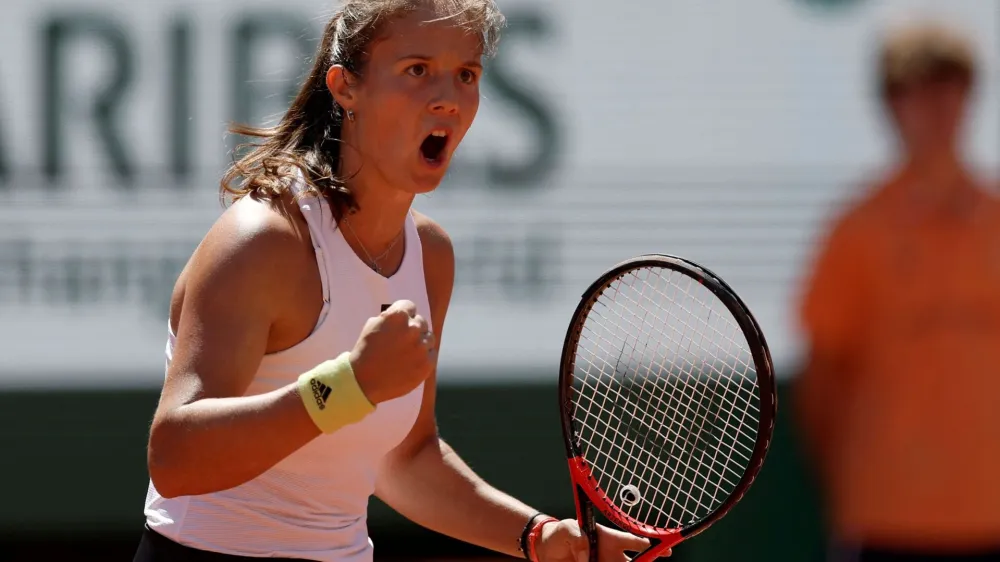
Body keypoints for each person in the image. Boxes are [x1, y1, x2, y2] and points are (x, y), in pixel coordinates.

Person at [133, 1, 665, 561]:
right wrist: (347, 387)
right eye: (417, 70)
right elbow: (175, 458)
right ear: (345, 88)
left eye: (466, 75)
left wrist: (537, 537)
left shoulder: (430, 255)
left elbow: (403, 458)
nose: (447, 98)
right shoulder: (264, 240)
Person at [795, 20, 1000, 562]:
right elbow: (821, 384)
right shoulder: (856, 231)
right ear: (891, 105)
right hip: (884, 523)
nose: (937, 107)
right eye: (919, 90)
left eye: (950, 87)